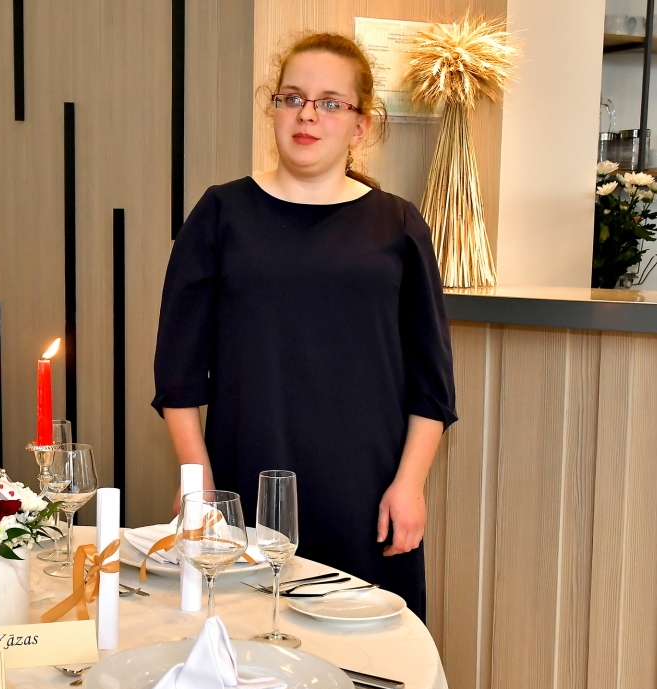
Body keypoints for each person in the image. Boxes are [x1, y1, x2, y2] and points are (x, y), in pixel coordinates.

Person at [152, 32, 456, 619]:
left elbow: (432, 384)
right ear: (273, 108)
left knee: (367, 657)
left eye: (330, 103)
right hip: (242, 492)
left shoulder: (398, 226)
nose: (307, 115)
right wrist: (199, 487)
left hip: (368, 496)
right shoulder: (220, 214)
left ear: (361, 125)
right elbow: (178, 373)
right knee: (245, 650)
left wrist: (410, 485)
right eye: (292, 98)